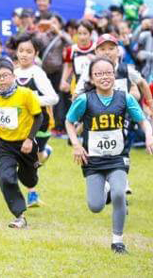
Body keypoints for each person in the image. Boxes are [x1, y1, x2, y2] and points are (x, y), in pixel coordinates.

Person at [65, 57, 153, 254]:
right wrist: (76, 145)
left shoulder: (125, 98)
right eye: (99, 73)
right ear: (92, 78)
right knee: (95, 206)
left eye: (108, 72)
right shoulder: (85, 99)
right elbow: (69, 122)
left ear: (114, 74)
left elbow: (143, 121)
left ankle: (117, 240)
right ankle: (104, 189)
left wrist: (149, 136)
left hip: (117, 158)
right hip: (93, 159)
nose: (104, 77)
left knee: (120, 193)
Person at [0, 59, 42, 229]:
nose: (2, 80)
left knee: (28, 178)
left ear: (13, 76)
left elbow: (39, 117)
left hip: (26, 144)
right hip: (5, 145)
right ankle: (19, 215)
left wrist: (30, 139)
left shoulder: (25, 94)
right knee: (5, 178)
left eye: (5, 76)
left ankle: (32, 173)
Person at [9, 32, 58, 207]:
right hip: (20, 125)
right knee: (24, 158)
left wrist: (31, 101)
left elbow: (53, 98)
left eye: (29, 51)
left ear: (35, 53)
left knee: (35, 158)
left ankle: (46, 153)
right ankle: (32, 195)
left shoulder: (38, 73)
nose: (24, 54)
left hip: (41, 123)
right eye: (21, 50)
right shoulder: (13, 73)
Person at [60, 20, 96, 97]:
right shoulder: (71, 49)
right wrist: (63, 80)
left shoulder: (96, 48)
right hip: (77, 86)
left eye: (85, 33)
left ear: (91, 33)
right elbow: (68, 66)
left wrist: (96, 59)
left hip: (95, 86)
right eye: (79, 34)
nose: (82, 37)